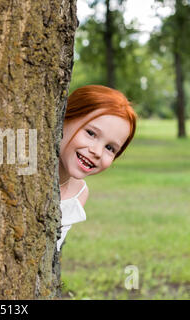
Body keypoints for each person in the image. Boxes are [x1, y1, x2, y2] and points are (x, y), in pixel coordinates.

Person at [57, 85, 137, 252]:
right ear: (64, 118)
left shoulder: (79, 194)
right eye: (91, 133)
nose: (97, 152)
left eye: (110, 148)